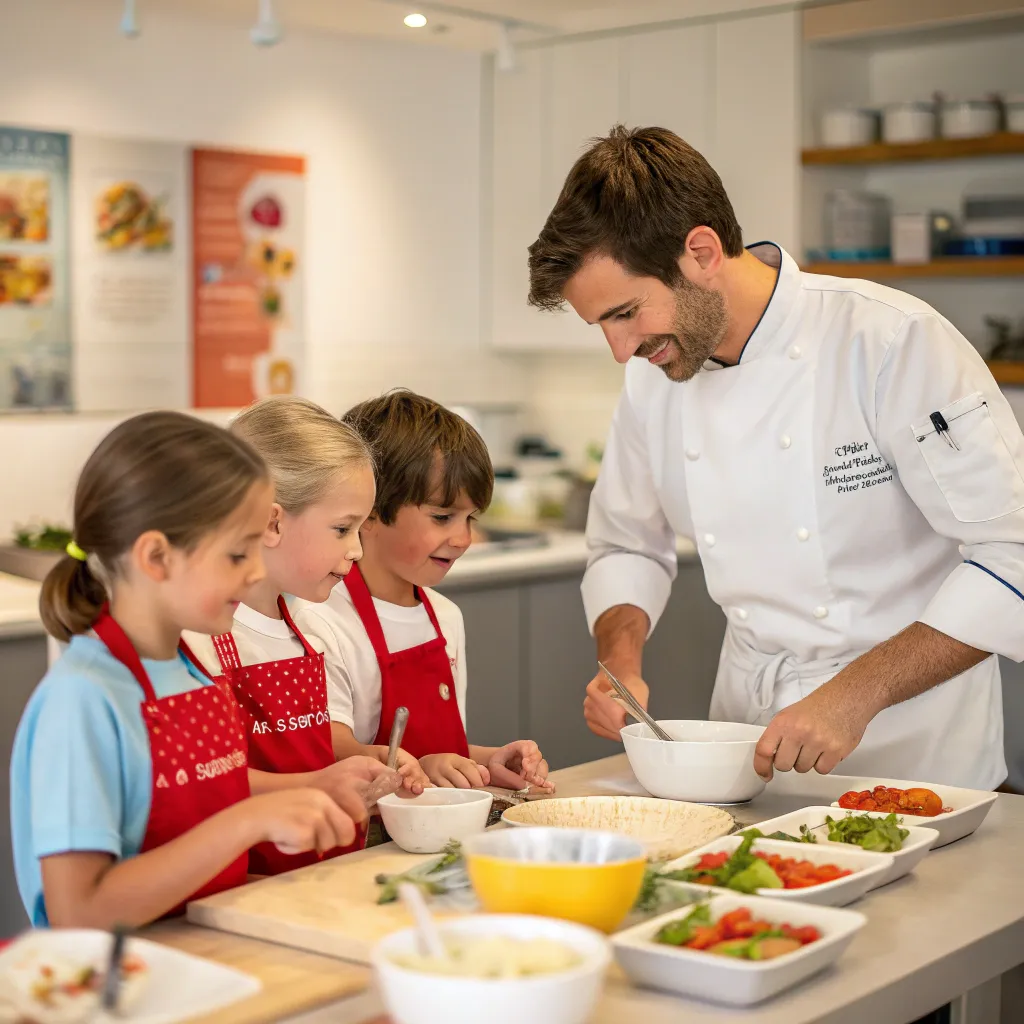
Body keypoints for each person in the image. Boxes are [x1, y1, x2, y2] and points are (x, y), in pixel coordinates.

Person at [526, 124, 1024, 789]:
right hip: (745, 742)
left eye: (625, 313)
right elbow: (627, 544)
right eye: (603, 327)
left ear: (700, 252)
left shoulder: (890, 342)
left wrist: (856, 695)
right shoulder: (655, 373)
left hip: (914, 754)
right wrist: (621, 665)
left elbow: (1010, 553)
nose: (621, 351)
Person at [11, 411, 369, 929]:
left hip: (203, 954)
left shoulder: (190, 673)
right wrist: (247, 824)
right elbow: (78, 911)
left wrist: (314, 788)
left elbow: (209, 787)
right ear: (156, 557)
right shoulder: (83, 698)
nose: (254, 571)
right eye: (236, 553)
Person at [182, 396, 427, 875]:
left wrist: (365, 762)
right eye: (342, 528)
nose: (357, 550)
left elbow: (312, 748)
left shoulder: (312, 628)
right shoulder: (200, 641)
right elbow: (209, 785)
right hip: (248, 886)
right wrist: (320, 784)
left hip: (324, 874)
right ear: (272, 521)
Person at [295, 390, 554, 791]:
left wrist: (486, 761)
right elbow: (334, 750)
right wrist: (420, 767)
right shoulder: (320, 619)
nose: (464, 538)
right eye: (442, 516)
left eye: (470, 518)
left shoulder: (445, 616)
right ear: (371, 510)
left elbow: (442, 749)